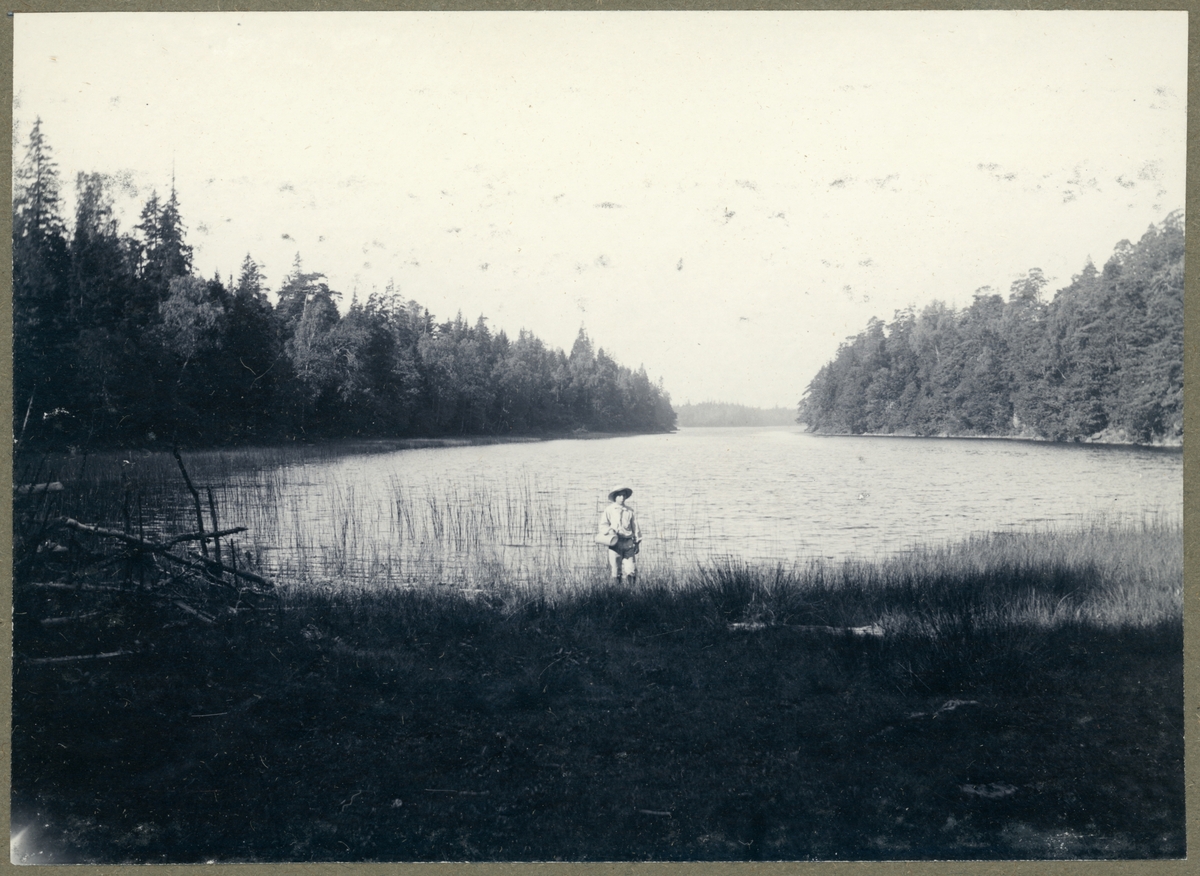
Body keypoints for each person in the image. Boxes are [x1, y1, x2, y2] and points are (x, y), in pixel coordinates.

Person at [599, 486, 641, 585]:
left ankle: (632, 591)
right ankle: (617, 591)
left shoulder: (630, 511)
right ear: (615, 497)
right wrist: (610, 530)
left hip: (628, 544)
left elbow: (636, 528)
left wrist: (637, 543)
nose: (622, 498)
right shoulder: (609, 510)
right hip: (615, 543)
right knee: (616, 570)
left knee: (631, 570)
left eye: (624, 495)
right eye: (619, 495)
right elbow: (602, 526)